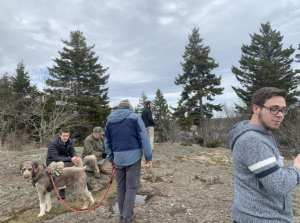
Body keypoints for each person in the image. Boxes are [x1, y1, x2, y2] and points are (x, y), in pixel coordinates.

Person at [227, 87, 300, 222]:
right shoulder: (252, 140)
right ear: (256, 109)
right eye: (274, 108)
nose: (280, 114)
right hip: (261, 218)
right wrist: (297, 166)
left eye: (283, 110)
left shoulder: (262, 135)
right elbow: (279, 186)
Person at [105, 99, 152, 223]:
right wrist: (148, 156)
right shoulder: (135, 117)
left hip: (118, 158)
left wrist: (111, 158)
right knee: (131, 188)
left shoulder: (110, 120)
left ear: (119, 106)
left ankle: (123, 216)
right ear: (129, 107)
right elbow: (144, 137)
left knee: (121, 187)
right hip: (133, 158)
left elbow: (107, 142)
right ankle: (127, 218)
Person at [46, 127, 92, 199]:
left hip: (64, 161)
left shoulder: (69, 141)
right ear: (60, 135)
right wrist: (70, 158)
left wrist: (74, 157)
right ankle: (61, 189)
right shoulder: (53, 143)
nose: (65, 137)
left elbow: (72, 152)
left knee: (78, 160)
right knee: (61, 163)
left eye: (67, 135)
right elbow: (55, 158)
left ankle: (83, 181)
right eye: (64, 135)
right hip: (52, 163)